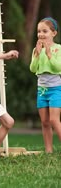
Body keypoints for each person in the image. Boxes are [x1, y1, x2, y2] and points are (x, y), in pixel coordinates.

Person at [30, 17, 61, 153]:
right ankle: (49, 150)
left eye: (45, 31)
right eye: (38, 31)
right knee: (45, 122)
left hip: (56, 89)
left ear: (53, 33)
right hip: (42, 90)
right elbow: (32, 68)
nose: (41, 34)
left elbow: (58, 67)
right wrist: (37, 54)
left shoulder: (58, 49)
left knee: (54, 120)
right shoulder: (36, 50)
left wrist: (49, 54)